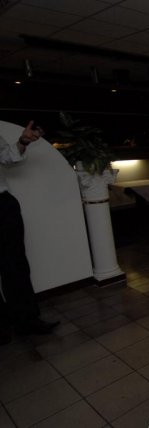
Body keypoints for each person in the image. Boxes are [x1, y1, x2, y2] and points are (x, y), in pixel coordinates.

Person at [1, 121, 60, 345]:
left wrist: (23, 141)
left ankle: (26, 321)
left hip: (2, 204)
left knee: (15, 264)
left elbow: (7, 157)